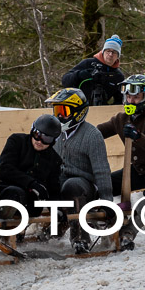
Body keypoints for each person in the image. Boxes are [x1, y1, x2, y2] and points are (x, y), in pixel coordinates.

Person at [97, 74, 145, 250]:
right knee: (103, 184)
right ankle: (105, 220)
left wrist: (138, 136)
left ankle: (129, 232)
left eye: (136, 96)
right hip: (137, 171)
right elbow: (97, 133)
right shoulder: (120, 118)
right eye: (128, 96)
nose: (131, 100)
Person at [0, 114, 63, 257]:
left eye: (46, 139)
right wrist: (31, 183)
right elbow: (5, 168)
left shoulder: (54, 160)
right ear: (32, 131)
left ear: (53, 141)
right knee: (14, 193)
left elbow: (53, 188)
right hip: (1, 190)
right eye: (37, 135)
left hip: (27, 202)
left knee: (21, 196)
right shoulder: (16, 141)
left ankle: (15, 233)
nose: (39, 141)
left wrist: (57, 209)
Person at [45, 88, 114, 254]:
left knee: (72, 186)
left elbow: (102, 170)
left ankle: (80, 239)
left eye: (64, 111)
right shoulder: (55, 134)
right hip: (61, 181)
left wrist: (107, 202)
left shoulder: (92, 135)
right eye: (57, 111)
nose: (59, 116)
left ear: (78, 112)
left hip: (84, 186)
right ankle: (49, 231)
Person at [61, 34, 125, 106]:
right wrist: (80, 74)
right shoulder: (88, 63)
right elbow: (65, 81)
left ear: (118, 56)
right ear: (103, 52)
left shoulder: (118, 76)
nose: (110, 54)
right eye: (108, 51)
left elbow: (120, 100)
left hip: (101, 111)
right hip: (79, 107)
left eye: (114, 52)